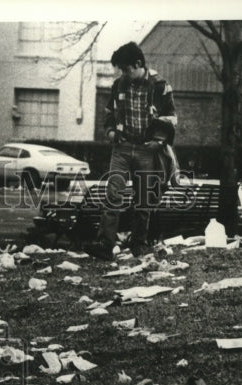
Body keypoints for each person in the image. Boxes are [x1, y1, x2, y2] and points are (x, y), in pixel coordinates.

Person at [93, 42, 179, 258]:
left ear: (138, 64)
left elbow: (171, 117)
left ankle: (139, 244)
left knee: (143, 200)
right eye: (121, 69)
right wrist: (111, 132)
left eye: (126, 69)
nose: (123, 73)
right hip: (121, 149)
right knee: (113, 195)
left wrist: (158, 141)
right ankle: (105, 245)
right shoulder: (118, 85)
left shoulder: (160, 86)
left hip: (146, 150)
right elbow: (109, 114)